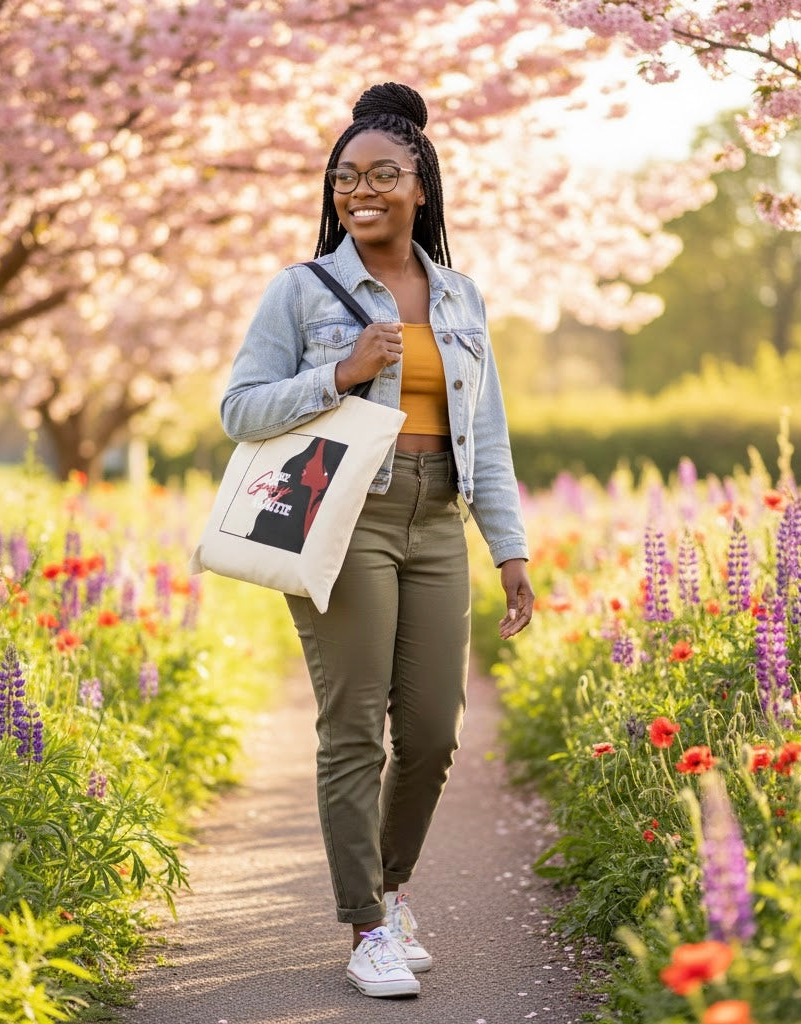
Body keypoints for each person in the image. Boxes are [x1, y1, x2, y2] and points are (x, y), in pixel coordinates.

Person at [221, 82, 534, 998]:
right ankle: (365, 926)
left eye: (382, 174)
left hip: (437, 521)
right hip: (342, 518)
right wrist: (340, 371)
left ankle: (389, 892)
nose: (361, 190)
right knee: (353, 727)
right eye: (344, 177)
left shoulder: (461, 298)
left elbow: (492, 438)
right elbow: (239, 409)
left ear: (420, 186)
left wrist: (507, 551)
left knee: (434, 730)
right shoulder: (299, 291)